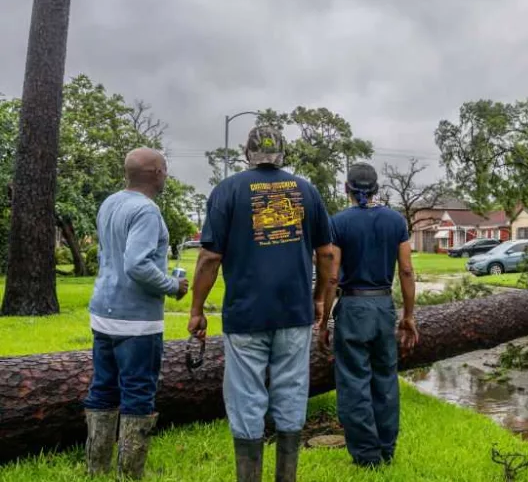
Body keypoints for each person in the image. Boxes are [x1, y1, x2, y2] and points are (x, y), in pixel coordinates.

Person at [188, 126, 334, 482]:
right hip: (294, 313)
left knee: (246, 397)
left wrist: (196, 309)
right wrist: (319, 300)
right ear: (282, 153)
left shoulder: (227, 191)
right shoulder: (307, 191)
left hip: (245, 314)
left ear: (246, 153)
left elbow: (209, 258)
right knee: (292, 392)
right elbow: (327, 253)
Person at [84, 147, 189, 479]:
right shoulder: (146, 211)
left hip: (103, 312)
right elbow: (137, 264)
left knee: (103, 388)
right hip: (136, 321)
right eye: (166, 169)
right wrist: (173, 286)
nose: (167, 175)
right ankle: (129, 474)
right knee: (139, 392)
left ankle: (96, 469)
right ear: (156, 173)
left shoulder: (110, 203)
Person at [318, 163, 419, 468]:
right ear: (377, 189)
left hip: (352, 308)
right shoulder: (395, 221)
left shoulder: (338, 222)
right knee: (385, 379)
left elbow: (333, 278)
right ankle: (387, 448)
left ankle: (366, 455)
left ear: (346, 188)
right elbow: (405, 270)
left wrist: (325, 321)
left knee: (354, 381)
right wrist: (408, 316)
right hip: (384, 307)